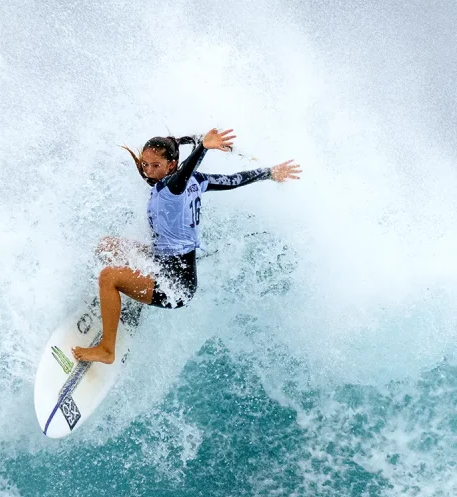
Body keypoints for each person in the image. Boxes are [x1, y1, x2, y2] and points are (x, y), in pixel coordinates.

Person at [72, 128, 302, 364]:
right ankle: (120, 299)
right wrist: (269, 173)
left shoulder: (175, 186)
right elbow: (235, 180)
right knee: (108, 245)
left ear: (172, 166)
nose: (149, 171)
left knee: (109, 276)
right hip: (163, 260)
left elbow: (188, 170)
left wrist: (203, 147)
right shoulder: (197, 181)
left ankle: (107, 349)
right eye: (146, 164)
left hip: (175, 285)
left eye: (156, 166)